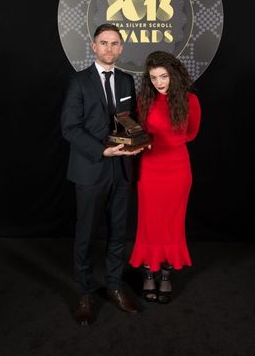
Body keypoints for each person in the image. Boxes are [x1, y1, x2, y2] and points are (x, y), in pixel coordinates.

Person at [61, 23, 143, 325]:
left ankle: (113, 285)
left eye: (114, 43)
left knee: (118, 233)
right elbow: (70, 128)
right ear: (94, 46)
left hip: (121, 169)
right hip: (90, 168)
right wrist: (101, 150)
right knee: (85, 235)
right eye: (103, 43)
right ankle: (84, 292)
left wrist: (136, 143)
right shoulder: (78, 82)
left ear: (121, 49)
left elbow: (129, 120)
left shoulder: (126, 80)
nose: (109, 48)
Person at [129, 51, 201, 304]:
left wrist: (170, 142)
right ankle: (149, 273)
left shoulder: (190, 100)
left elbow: (191, 133)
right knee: (149, 222)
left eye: (164, 76)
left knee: (172, 223)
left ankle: (166, 275)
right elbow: (138, 133)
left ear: (174, 75)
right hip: (150, 170)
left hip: (178, 171)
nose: (159, 82)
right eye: (153, 77)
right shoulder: (143, 101)